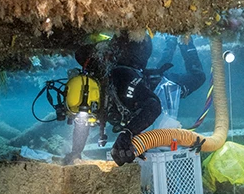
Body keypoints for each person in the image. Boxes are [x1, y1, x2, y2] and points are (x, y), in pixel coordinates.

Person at [63, 32, 205, 166]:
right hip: (137, 79)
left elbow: (153, 105)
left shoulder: (122, 81)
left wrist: (128, 132)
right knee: (158, 69)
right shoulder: (89, 96)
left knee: (198, 77)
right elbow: (82, 123)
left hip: (156, 88)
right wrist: (76, 152)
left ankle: (183, 39)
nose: (87, 120)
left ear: (96, 100)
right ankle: (170, 43)